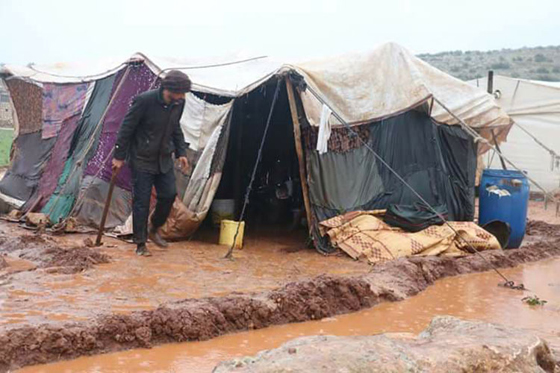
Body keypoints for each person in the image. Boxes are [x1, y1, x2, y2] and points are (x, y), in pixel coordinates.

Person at [112, 70, 191, 256]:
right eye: (181, 92)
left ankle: (154, 227)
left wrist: (181, 151)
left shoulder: (179, 103)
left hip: (163, 158)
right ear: (170, 89)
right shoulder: (144, 100)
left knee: (169, 194)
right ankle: (140, 243)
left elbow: (175, 127)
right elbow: (126, 128)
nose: (182, 96)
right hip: (141, 158)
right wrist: (119, 156)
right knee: (142, 201)